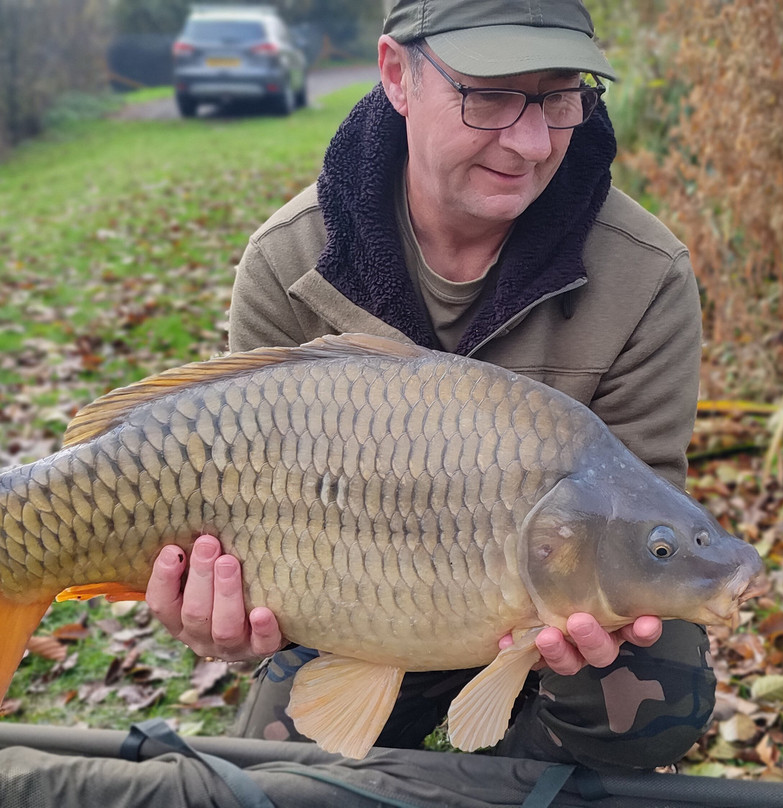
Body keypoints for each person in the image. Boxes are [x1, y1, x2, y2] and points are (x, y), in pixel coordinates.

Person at [145, 0, 712, 771]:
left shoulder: (646, 276)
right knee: (287, 775)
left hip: (549, 613)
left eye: (559, 94)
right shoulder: (288, 263)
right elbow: (236, 536)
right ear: (396, 75)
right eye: (489, 95)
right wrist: (227, 617)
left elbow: (647, 509)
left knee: (657, 682)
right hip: (356, 605)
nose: (531, 140)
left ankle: (510, 777)